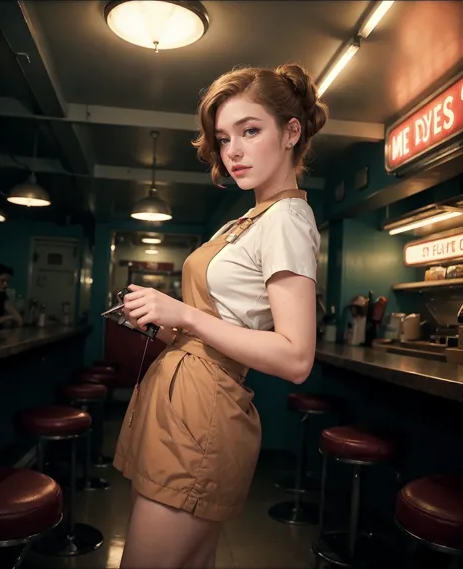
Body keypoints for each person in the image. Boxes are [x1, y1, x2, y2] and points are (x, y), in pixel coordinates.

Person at [114, 62, 328, 568]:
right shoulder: (247, 220)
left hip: (205, 409)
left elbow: (296, 357)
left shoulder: (287, 219)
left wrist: (184, 317)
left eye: (250, 131)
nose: (233, 151)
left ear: (291, 132)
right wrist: (166, 323)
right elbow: (229, 322)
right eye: (224, 137)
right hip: (182, 398)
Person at [0, 263, 23, 329]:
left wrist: (19, 320)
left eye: (7, 282)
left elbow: (8, 306)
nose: (5, 284)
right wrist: (10, 317)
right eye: (3, 280)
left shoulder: (0, 291)